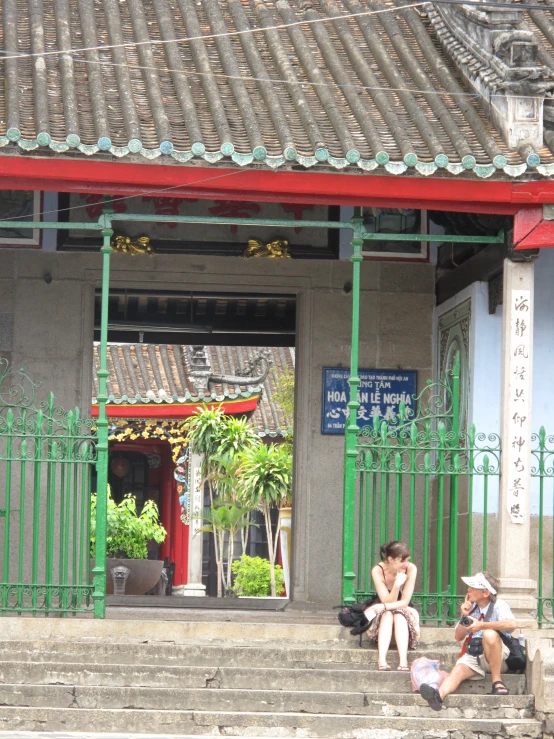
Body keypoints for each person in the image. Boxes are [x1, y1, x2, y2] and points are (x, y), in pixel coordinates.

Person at [419, 571, 517, 711]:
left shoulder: (499, 605)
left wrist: (482, 625)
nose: (468, 590)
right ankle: (438, 697)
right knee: (458, 669)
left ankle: (497, 682)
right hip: (475, 655)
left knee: (489, 634)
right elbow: (458, 637)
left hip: (499, 656)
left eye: (473, 587)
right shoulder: (472, 609)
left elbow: (512, 624)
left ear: (486, 593)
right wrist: (464, 615)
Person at [364, 540, 420, 671]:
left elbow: (404, 602)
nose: (406, 564)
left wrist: (383, 607)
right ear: (390, 559)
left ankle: (403, 661)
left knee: (399, 616)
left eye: (408, 560)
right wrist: (396, 586)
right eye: (402, 561)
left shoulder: (411, 569)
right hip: (385, 606)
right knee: (387, 615)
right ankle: (382, 660)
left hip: (402, 607)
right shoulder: (378, 570)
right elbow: (385, 600)